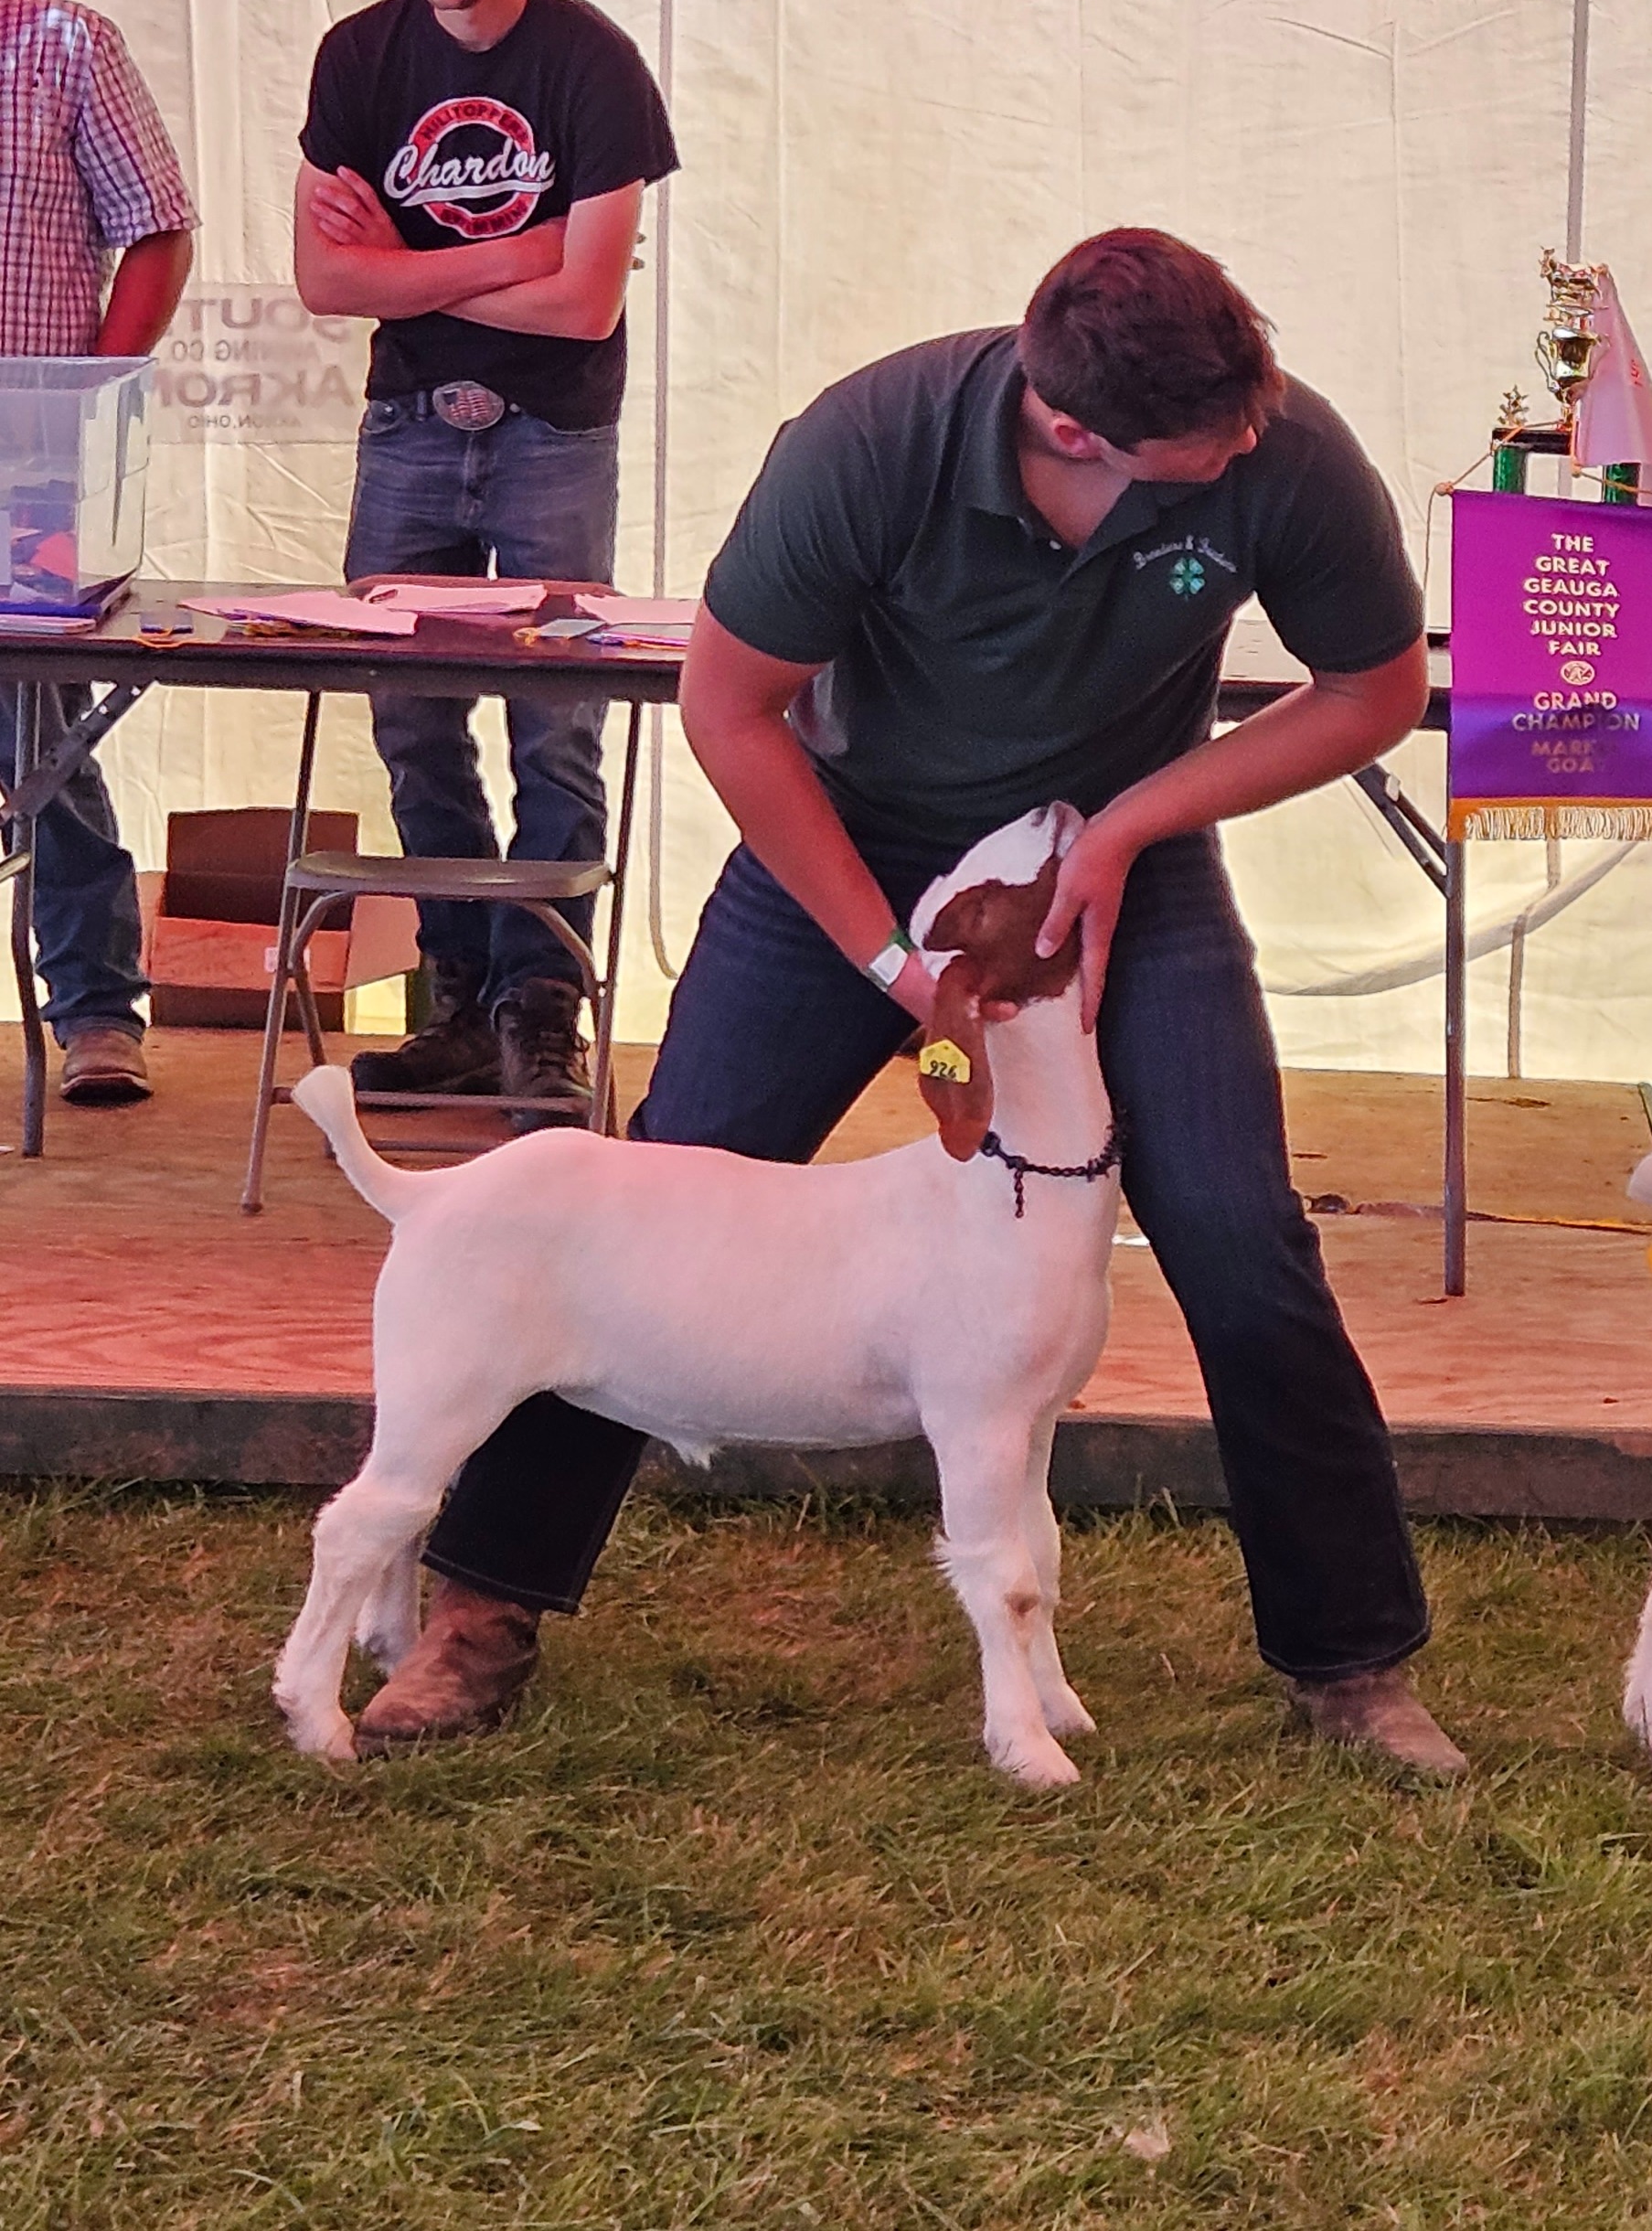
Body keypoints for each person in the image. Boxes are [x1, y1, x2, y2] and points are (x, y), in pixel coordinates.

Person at [347, 227, 1470, 1778]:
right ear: (1072, 426)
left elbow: (1376, 688)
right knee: (658, 1185)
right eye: (1207, 449)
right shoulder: (870, 445)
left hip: (1102, 872)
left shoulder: (1276, 441)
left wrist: (1139, 822)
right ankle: (482, 1606)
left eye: (1251, 418)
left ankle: (1350, 1662)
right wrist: (889, 959)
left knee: (1236, 1227)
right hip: (847, 857)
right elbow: (729, 710)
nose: (1251, 450)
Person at [293, 0, 677, 1122]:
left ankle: (541, 1014)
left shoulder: (591, 64)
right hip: (408, 426)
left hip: (552, 432)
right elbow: (322, 277)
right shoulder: (358, 57)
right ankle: (459, 1003)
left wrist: (407, 274)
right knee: (409, 716)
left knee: (555, 723)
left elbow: (588, 309)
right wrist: (519, 249)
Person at [2, 0, 197, 1107]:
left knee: (44, 732)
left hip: (31, 456)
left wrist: (83, 396)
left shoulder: (67, 45)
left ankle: (94, 1007)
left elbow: (158, 233)